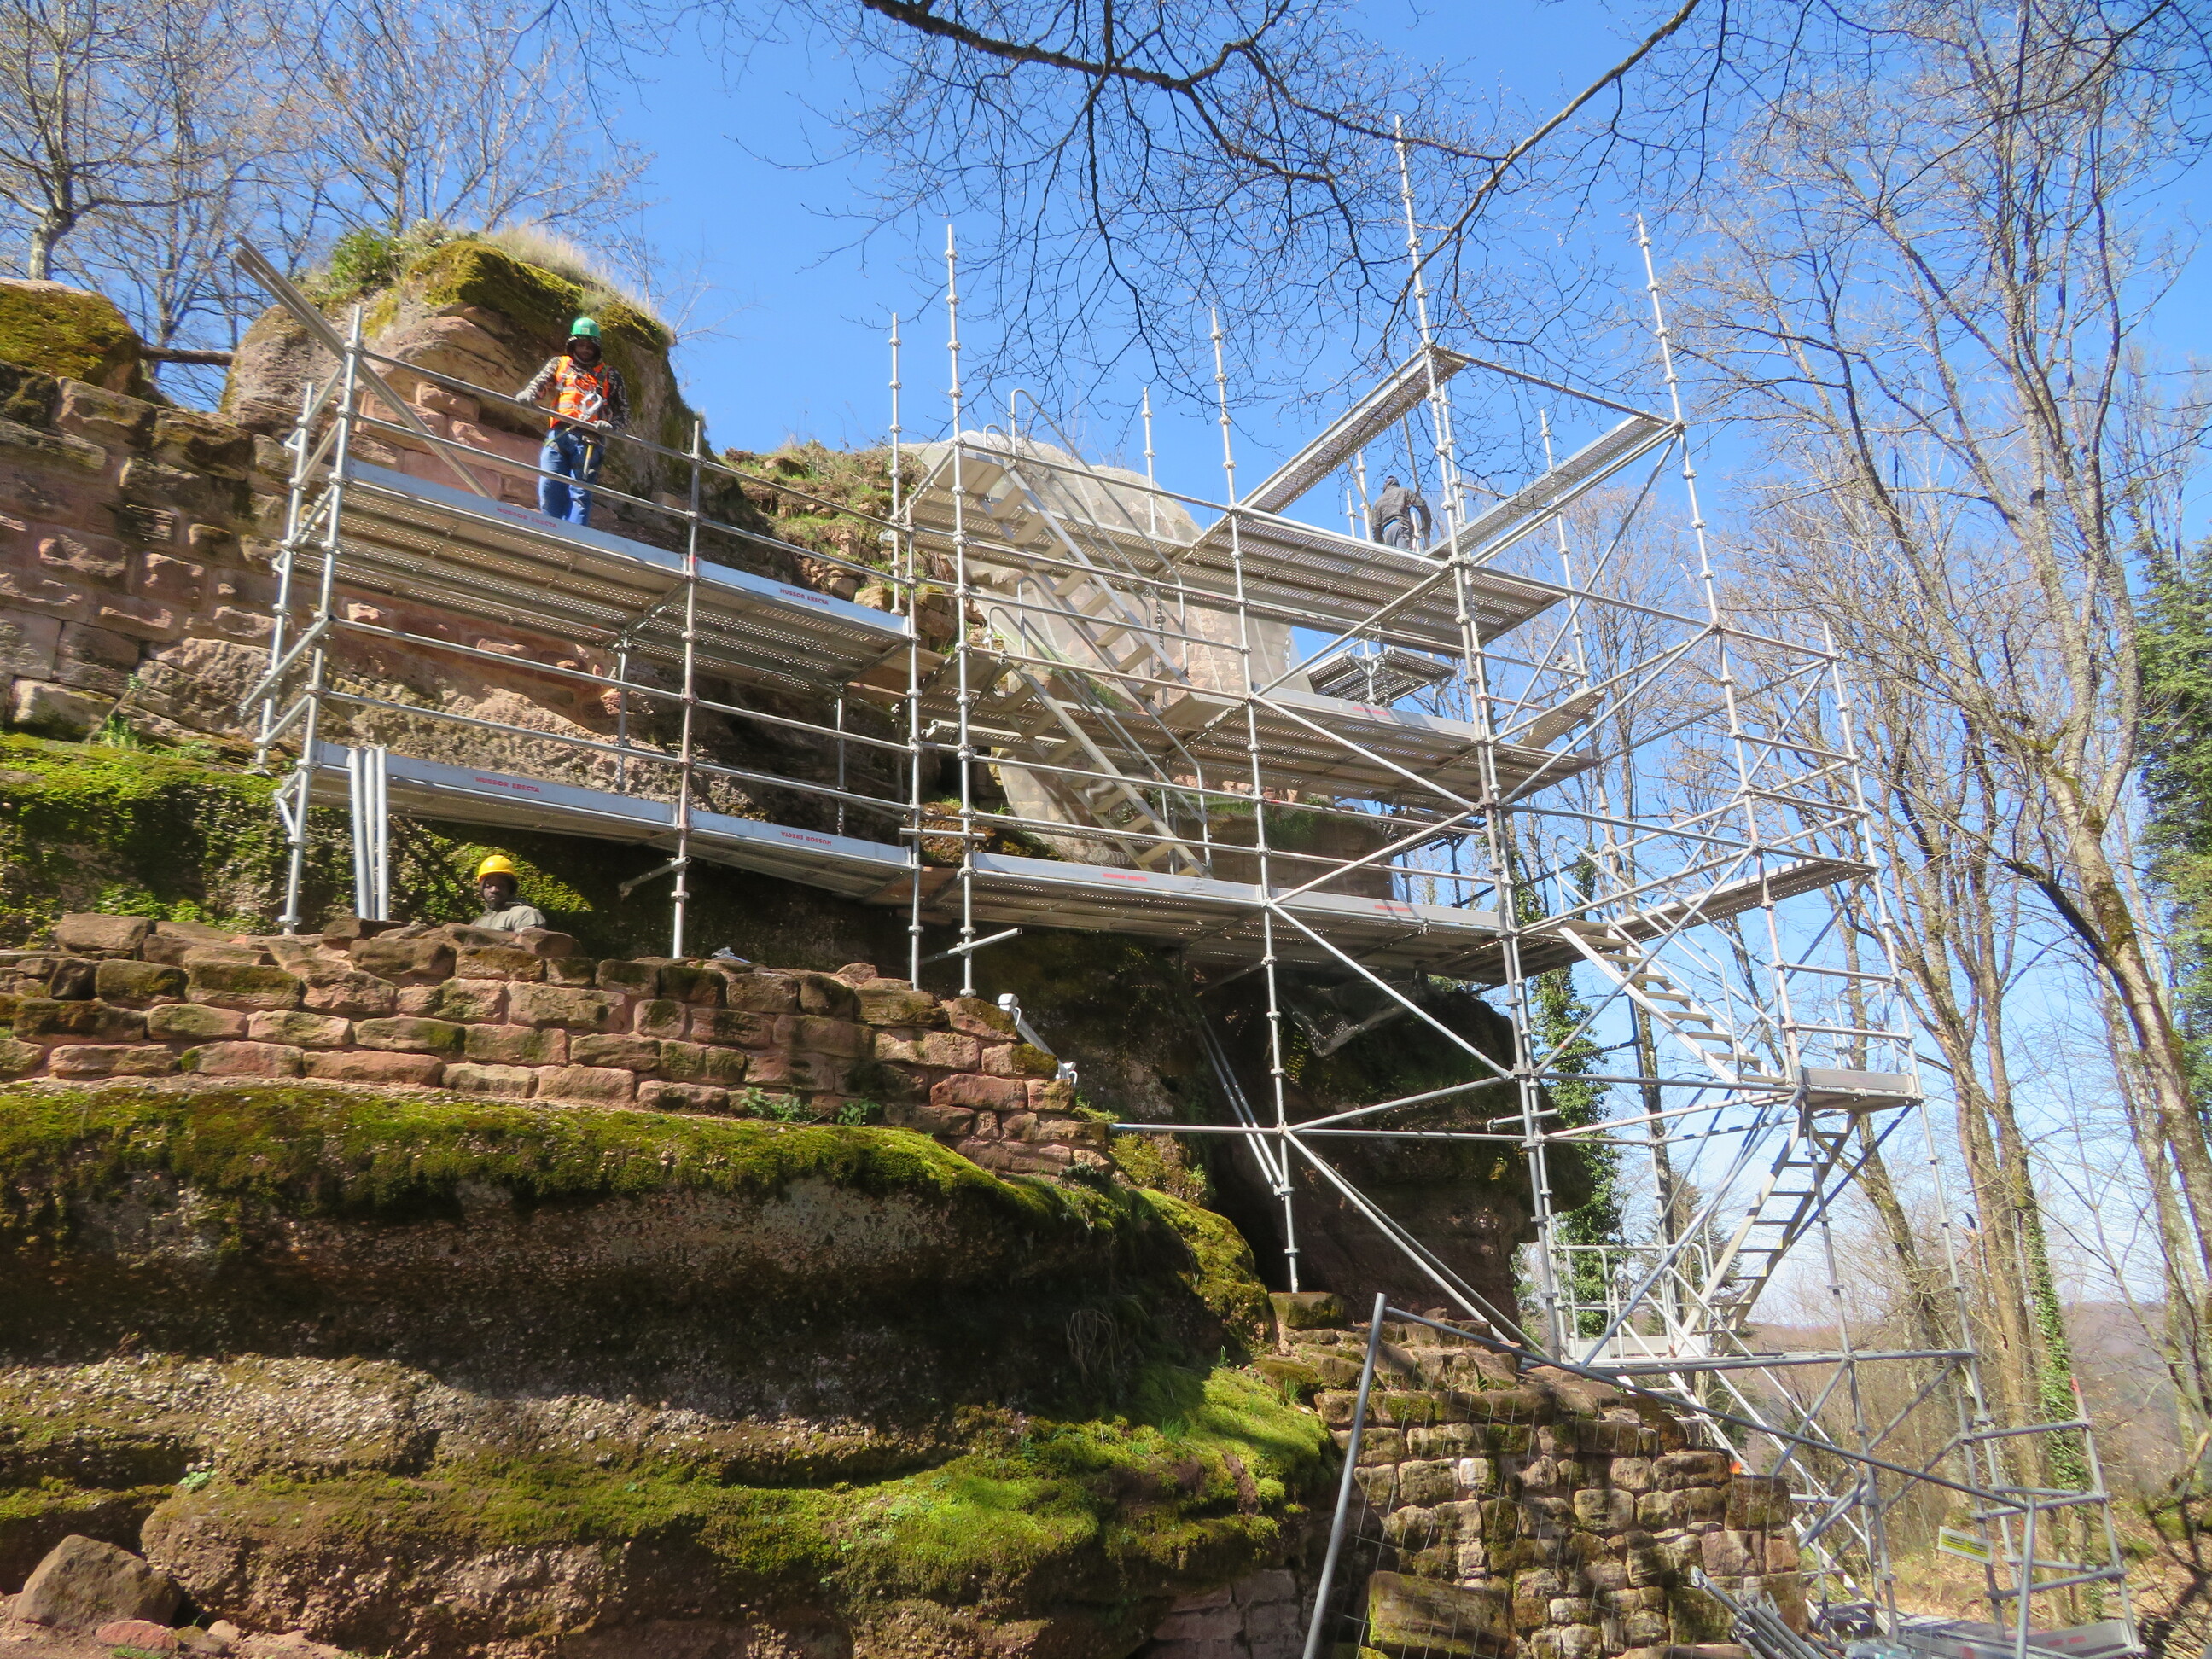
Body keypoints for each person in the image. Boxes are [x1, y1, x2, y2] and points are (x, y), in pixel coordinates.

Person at [518, 317, 628, 527]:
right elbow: (540, 383)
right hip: (558, 435)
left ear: (597, 348)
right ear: (573, 344)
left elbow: (623, 411)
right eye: (581, 344)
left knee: (579, 492)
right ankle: (549, 530)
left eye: (590, 346)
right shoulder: (559, 364)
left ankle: (573, 536)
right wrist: (529, 394)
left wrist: (611, 426)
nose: (585, 349)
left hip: (589, 440)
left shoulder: (610, 375)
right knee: (549, 485)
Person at [472, 854, 548, 933]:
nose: (494, 890)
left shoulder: (526, 914)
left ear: (511, 888)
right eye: (489, 885)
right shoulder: (477, 923)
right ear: (482, 888)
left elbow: (529, 940)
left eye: (501, 885)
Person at [1368, 474, 1433, 552]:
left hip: (1387, 532)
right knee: (1405, 555)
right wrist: (1427, 525)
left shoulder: (1378, 502)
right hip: (1401, 526)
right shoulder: (1404, 491)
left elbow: (1375, 526)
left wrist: (1380, 544)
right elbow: (1421, 504)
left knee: (1394, 558)